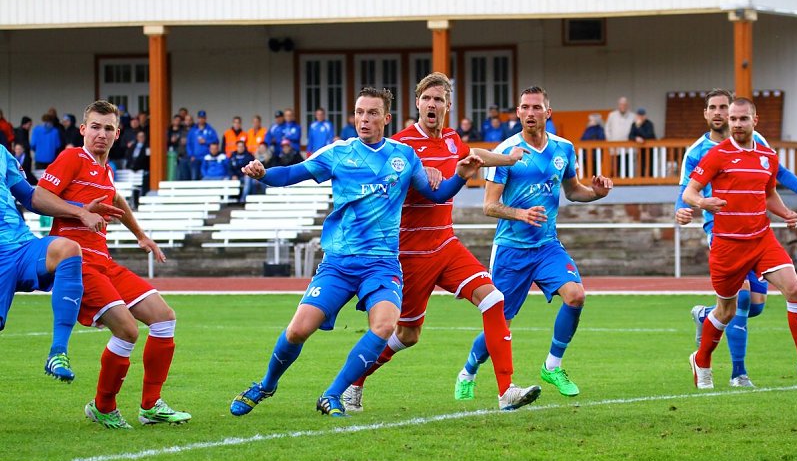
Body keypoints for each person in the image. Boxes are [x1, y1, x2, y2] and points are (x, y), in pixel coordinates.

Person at [229, 87, 483, 418]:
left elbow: (436, 195)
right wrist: (264, 174)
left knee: (385, 326)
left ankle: (333, 393)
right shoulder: (339, 153)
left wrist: (461, 176)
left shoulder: (404, 156)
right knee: (298, 330)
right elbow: (292, 173)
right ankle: (266, 385)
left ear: (386, 118)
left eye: (372, 113)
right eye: (359, 112)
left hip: (382, 265)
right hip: (339, 264)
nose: (364, 119)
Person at [341, 72, 541, 413]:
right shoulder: (401, 145)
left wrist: (507, 159)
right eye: (427, 99)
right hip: (412, 254)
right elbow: (386, 182)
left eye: (439, 99)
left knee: (494, 299)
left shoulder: (450, 139)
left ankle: (506, 391)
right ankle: (353, 382)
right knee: (407, 335)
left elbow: (471, 154)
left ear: (448, 106)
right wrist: (419, 175)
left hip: (446, 244)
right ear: (417, 103)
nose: (432, 104)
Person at [39, 100, 191, 429]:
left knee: (164, 318)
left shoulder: (106, 171)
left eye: (108, 128)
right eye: (95, 127)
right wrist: (81, 212)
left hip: (104, 262)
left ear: (117, 134)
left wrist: (142, 235)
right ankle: (103, 406)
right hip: (77, 263)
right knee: (127, 330)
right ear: (83, 129)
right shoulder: (72, 158)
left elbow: (116, 200)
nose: (101, 134)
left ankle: (151, 406)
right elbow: (39, 197)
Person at [455, 86, 613, 399]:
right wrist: (520, 214)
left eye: (536, 107)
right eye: (525, 107)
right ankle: (468, 371)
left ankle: (552, 366)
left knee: (576, 296)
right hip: (511, 249)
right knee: (501, 324)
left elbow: (573, 191)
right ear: (518, 113)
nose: (530, 113)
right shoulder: (506, 152)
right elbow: (489, 206)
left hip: (546, 246)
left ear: (547, 113)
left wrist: (596, 193)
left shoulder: (564, 148)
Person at [676, 89, 797, 387]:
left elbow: (769, 191)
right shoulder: (713, 154)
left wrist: (788, 211)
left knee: (794, 290)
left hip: (761, 239)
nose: (736, 123)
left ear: (754, 120)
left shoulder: (766, 154)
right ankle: (704, 360)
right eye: (733, 119)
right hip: (727, 243)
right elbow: (688, 191)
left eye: (742, 118)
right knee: (728, 310)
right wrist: (700, 203)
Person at [2, 142, 120, 383]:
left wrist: (81, 209)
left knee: (68, 248)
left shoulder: (2, 154)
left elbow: (31, 198)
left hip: (21, 246)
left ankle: (58, 352)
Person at [186, 110, 218, 180]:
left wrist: (206, 141)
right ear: (197, 118)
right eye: (200, 118)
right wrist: (191, 155)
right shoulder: (193, 130)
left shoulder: (210, 130)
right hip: (195, 158)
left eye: (203, 118)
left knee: (205, 177)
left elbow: (216, 141)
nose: (201, 120)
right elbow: (188, 144)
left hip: (207, 158)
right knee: (194, 177)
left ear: (205, 118)